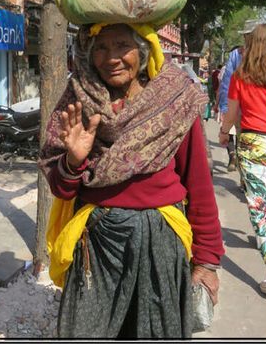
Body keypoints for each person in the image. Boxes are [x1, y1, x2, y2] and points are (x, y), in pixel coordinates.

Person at [41, 22, 222, 339]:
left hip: (160, 243)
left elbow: (199, 184)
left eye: (121, 45)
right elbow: (61, 188)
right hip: (95, 244)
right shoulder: (78, 101)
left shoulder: (175, 101)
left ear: (143, 50)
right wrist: (72, 161)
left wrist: (206, 262)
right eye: (100, 47)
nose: (110, 57)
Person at [220, 22, 266, 296]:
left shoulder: (240, 76)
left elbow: (231, 114)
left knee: (261, 210)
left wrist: (222, 133)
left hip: (254, 143)